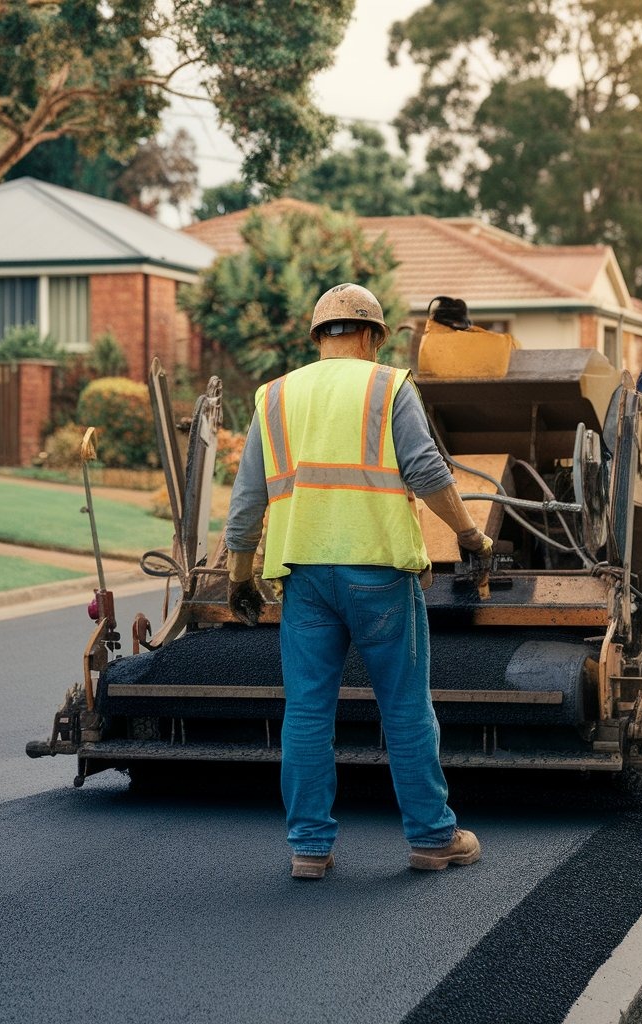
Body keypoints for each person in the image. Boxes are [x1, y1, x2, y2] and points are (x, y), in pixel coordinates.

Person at [224, 282, 493, 880]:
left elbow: (245, 503)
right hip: (378, 575)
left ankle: (309, 849)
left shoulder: (274, 396)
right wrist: (471, 536)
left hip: (304, 578)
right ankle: (431, 839)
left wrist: (240, 576)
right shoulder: (387, 385)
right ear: (371, 336)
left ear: (320, 337)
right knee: (404, 709)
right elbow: (426, 470)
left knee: (307, 713)